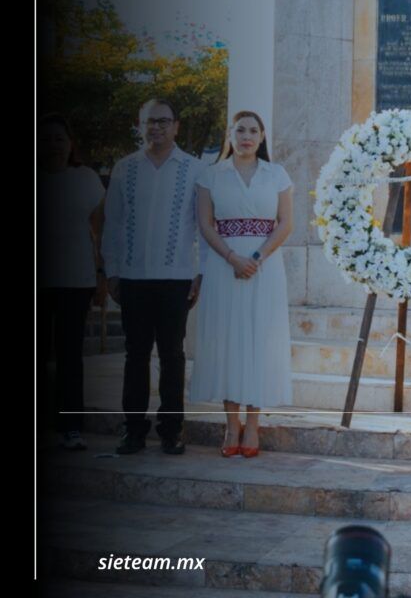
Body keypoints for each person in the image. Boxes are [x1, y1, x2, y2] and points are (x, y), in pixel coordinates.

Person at [102, 99, 205, 455]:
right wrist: (112, 270)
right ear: (140, 124)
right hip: (133, 276)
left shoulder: (194, 169)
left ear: (176, 125)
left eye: (163, 121)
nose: (156, 127)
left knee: (173, 356)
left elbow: (202, 227)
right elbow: (113, 223)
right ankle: (132, 429)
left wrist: (199, 274)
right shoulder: (124, 168)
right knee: (135, 355)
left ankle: (171, 429)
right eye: (150, 121)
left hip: (176, 277)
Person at [189, 110, 294, 458]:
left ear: (262, 137)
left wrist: (257, 257)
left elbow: (285, 224)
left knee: (259, 341)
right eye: (240, 130)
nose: (246, 136)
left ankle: (253, 425)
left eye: (253, 131)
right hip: (225, 265)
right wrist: (233, 258)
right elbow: (206, 224)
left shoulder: (276, 174)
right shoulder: (211, 176)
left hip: (265, 267)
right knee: (229, 341)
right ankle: (231, 424)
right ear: (229, 135)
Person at [38, 114, 105, 450]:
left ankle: (70, 426)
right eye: (46, 139)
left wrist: (101, 277)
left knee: (69, 356)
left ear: (70, 144)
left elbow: (98, 230)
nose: (53, 146)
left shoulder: (87, 179)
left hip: (75, 281)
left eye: (59, 139)